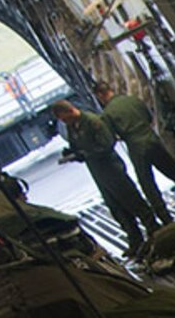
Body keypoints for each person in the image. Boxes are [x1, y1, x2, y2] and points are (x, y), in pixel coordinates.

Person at [94, 79, 175, 226]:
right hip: (152, 140)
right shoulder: (133, 100)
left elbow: (111, 137)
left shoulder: (107, 114)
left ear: (100, 95)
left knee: (148, 184)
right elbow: (148, 117)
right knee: (174, 171)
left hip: (136, 146)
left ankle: (166, 218)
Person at [51, 99, 159, 254]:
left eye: (64, 118)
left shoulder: (93, 122)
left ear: (70, 111)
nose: (65, 122)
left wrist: (85, 154)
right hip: (99, 173)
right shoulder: (72, 127)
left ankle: (154, 230)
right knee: (116, 207)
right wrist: (71, 152)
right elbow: (77, 144)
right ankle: (135, 239)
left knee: (132, 200)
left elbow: (107, 144)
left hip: (111, 169)